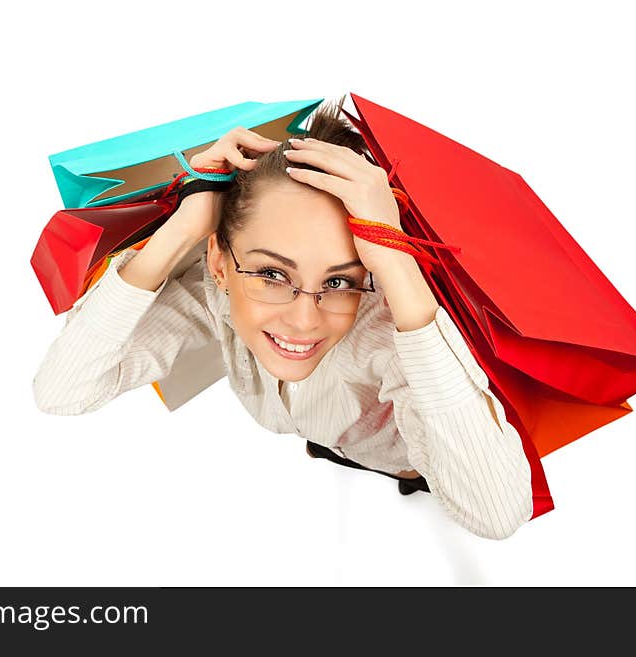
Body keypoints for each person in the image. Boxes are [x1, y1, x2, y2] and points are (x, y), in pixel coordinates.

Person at [32, 98, 534, 540]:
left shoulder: (389, 337)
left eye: (339, 280)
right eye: (272, 273)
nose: (303, 320)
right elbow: (61, 392)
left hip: (420, 465)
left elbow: (497, 514)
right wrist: (182, 227)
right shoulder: (218, 292)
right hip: (332, 447)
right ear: (218, 263)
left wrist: (394, 257)